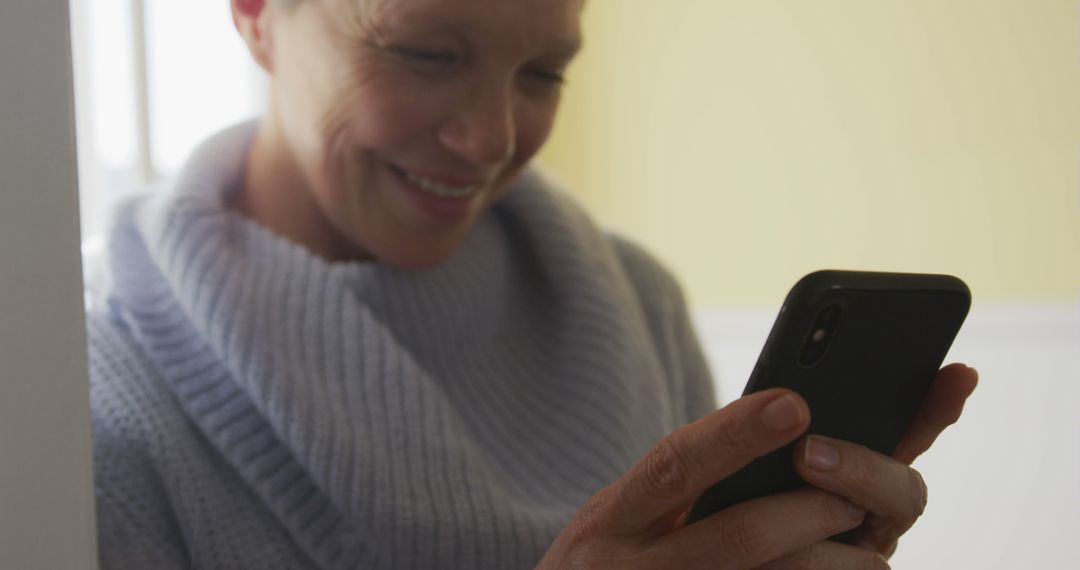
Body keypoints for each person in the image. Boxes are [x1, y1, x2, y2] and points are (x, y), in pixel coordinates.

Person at [86, 0, 979, 568]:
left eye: (544, 74)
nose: (488, 140)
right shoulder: (90, 399)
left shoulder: (636, 305)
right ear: (254, 14)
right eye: (427, 53)